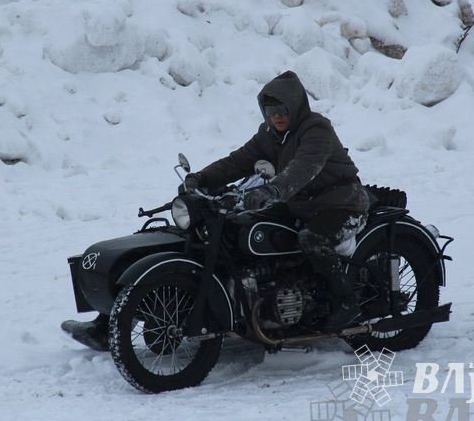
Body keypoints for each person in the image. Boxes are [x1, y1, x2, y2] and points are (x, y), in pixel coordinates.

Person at [62, 71, 369, 351]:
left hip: (340, 203)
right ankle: (111, 324)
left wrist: (270, 191)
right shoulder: (270, 134)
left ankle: (346, 303)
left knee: (312, 240)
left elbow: (303, 169)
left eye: (282, 111)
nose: (276, 117)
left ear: (295, 107)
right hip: (297, 204)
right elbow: (239, 160)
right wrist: (203, 179)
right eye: (270, 111)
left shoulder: (316, 129)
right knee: (237, 233)